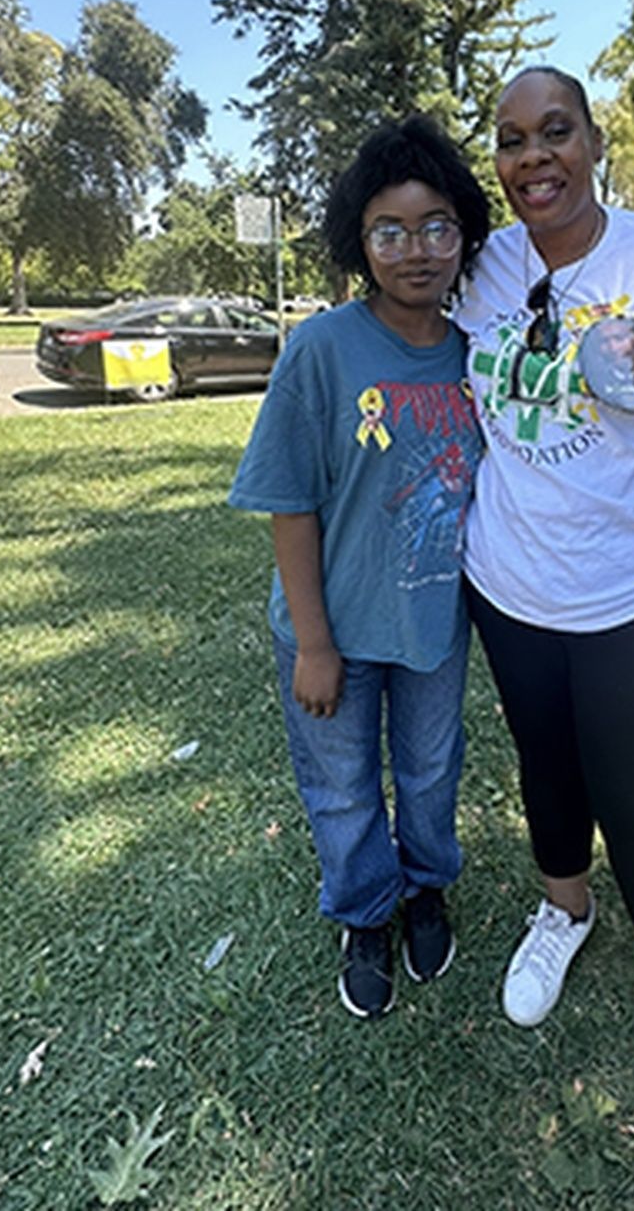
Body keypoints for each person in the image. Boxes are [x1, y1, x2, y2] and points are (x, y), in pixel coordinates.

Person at [454, 66, 634, 1194]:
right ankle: (561, 908)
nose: (536, 157)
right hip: (508, 585)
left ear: (592, 140)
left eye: (555, 133)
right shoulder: (481, 267)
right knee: (546, 769)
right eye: (514, 140)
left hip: (628, 593)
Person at [228, 115, 489, 1019]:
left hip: (433, 623)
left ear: (464, 237)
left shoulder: (477, 355)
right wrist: (312, 641)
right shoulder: (321, 350)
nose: (414, 250)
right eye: (389, 231)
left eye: (435, 228)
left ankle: (425, 891)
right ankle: (364, 913)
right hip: (332, 624)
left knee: (429, 771)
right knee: (341, 786)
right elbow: (289, 499)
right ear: (359, 240)